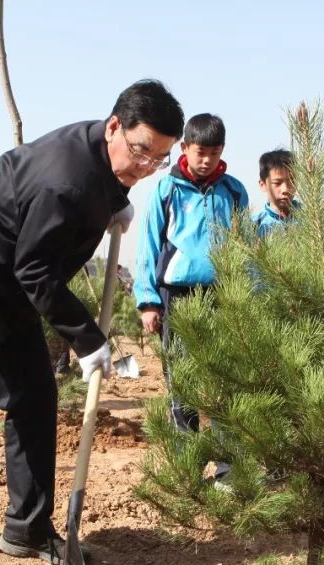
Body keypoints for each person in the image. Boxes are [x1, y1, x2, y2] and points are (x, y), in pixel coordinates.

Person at [0, 79, 184, 565]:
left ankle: (27, 530)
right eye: (141, 153)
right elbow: (36, 269)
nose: (147, 167)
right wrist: (87, 339)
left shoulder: (101, 158)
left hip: (12, 292)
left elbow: (40, 258)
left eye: (159, 159)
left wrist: (116, 200)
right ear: (114, 127)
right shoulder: (66, 181)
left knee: (36, 399)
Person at [133, 113, 248, 464]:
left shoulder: (233, 191)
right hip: (178, 297)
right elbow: (148, 247)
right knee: (182, 382)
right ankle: (189, 465)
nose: (206, 160)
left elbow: (247, 247)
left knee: (227, 380)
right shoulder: (166, 190)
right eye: (200, 152)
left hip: (223, 297)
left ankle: (229, 471)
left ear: (222, 151)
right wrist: (148, 301)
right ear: (185, 148)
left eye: (214, 153)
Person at [252, 149, 298, 237]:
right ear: (263, 185)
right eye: (277, 183)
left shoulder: (313, 220)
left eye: (291, 182)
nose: (285, 189)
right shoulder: (254, 226)